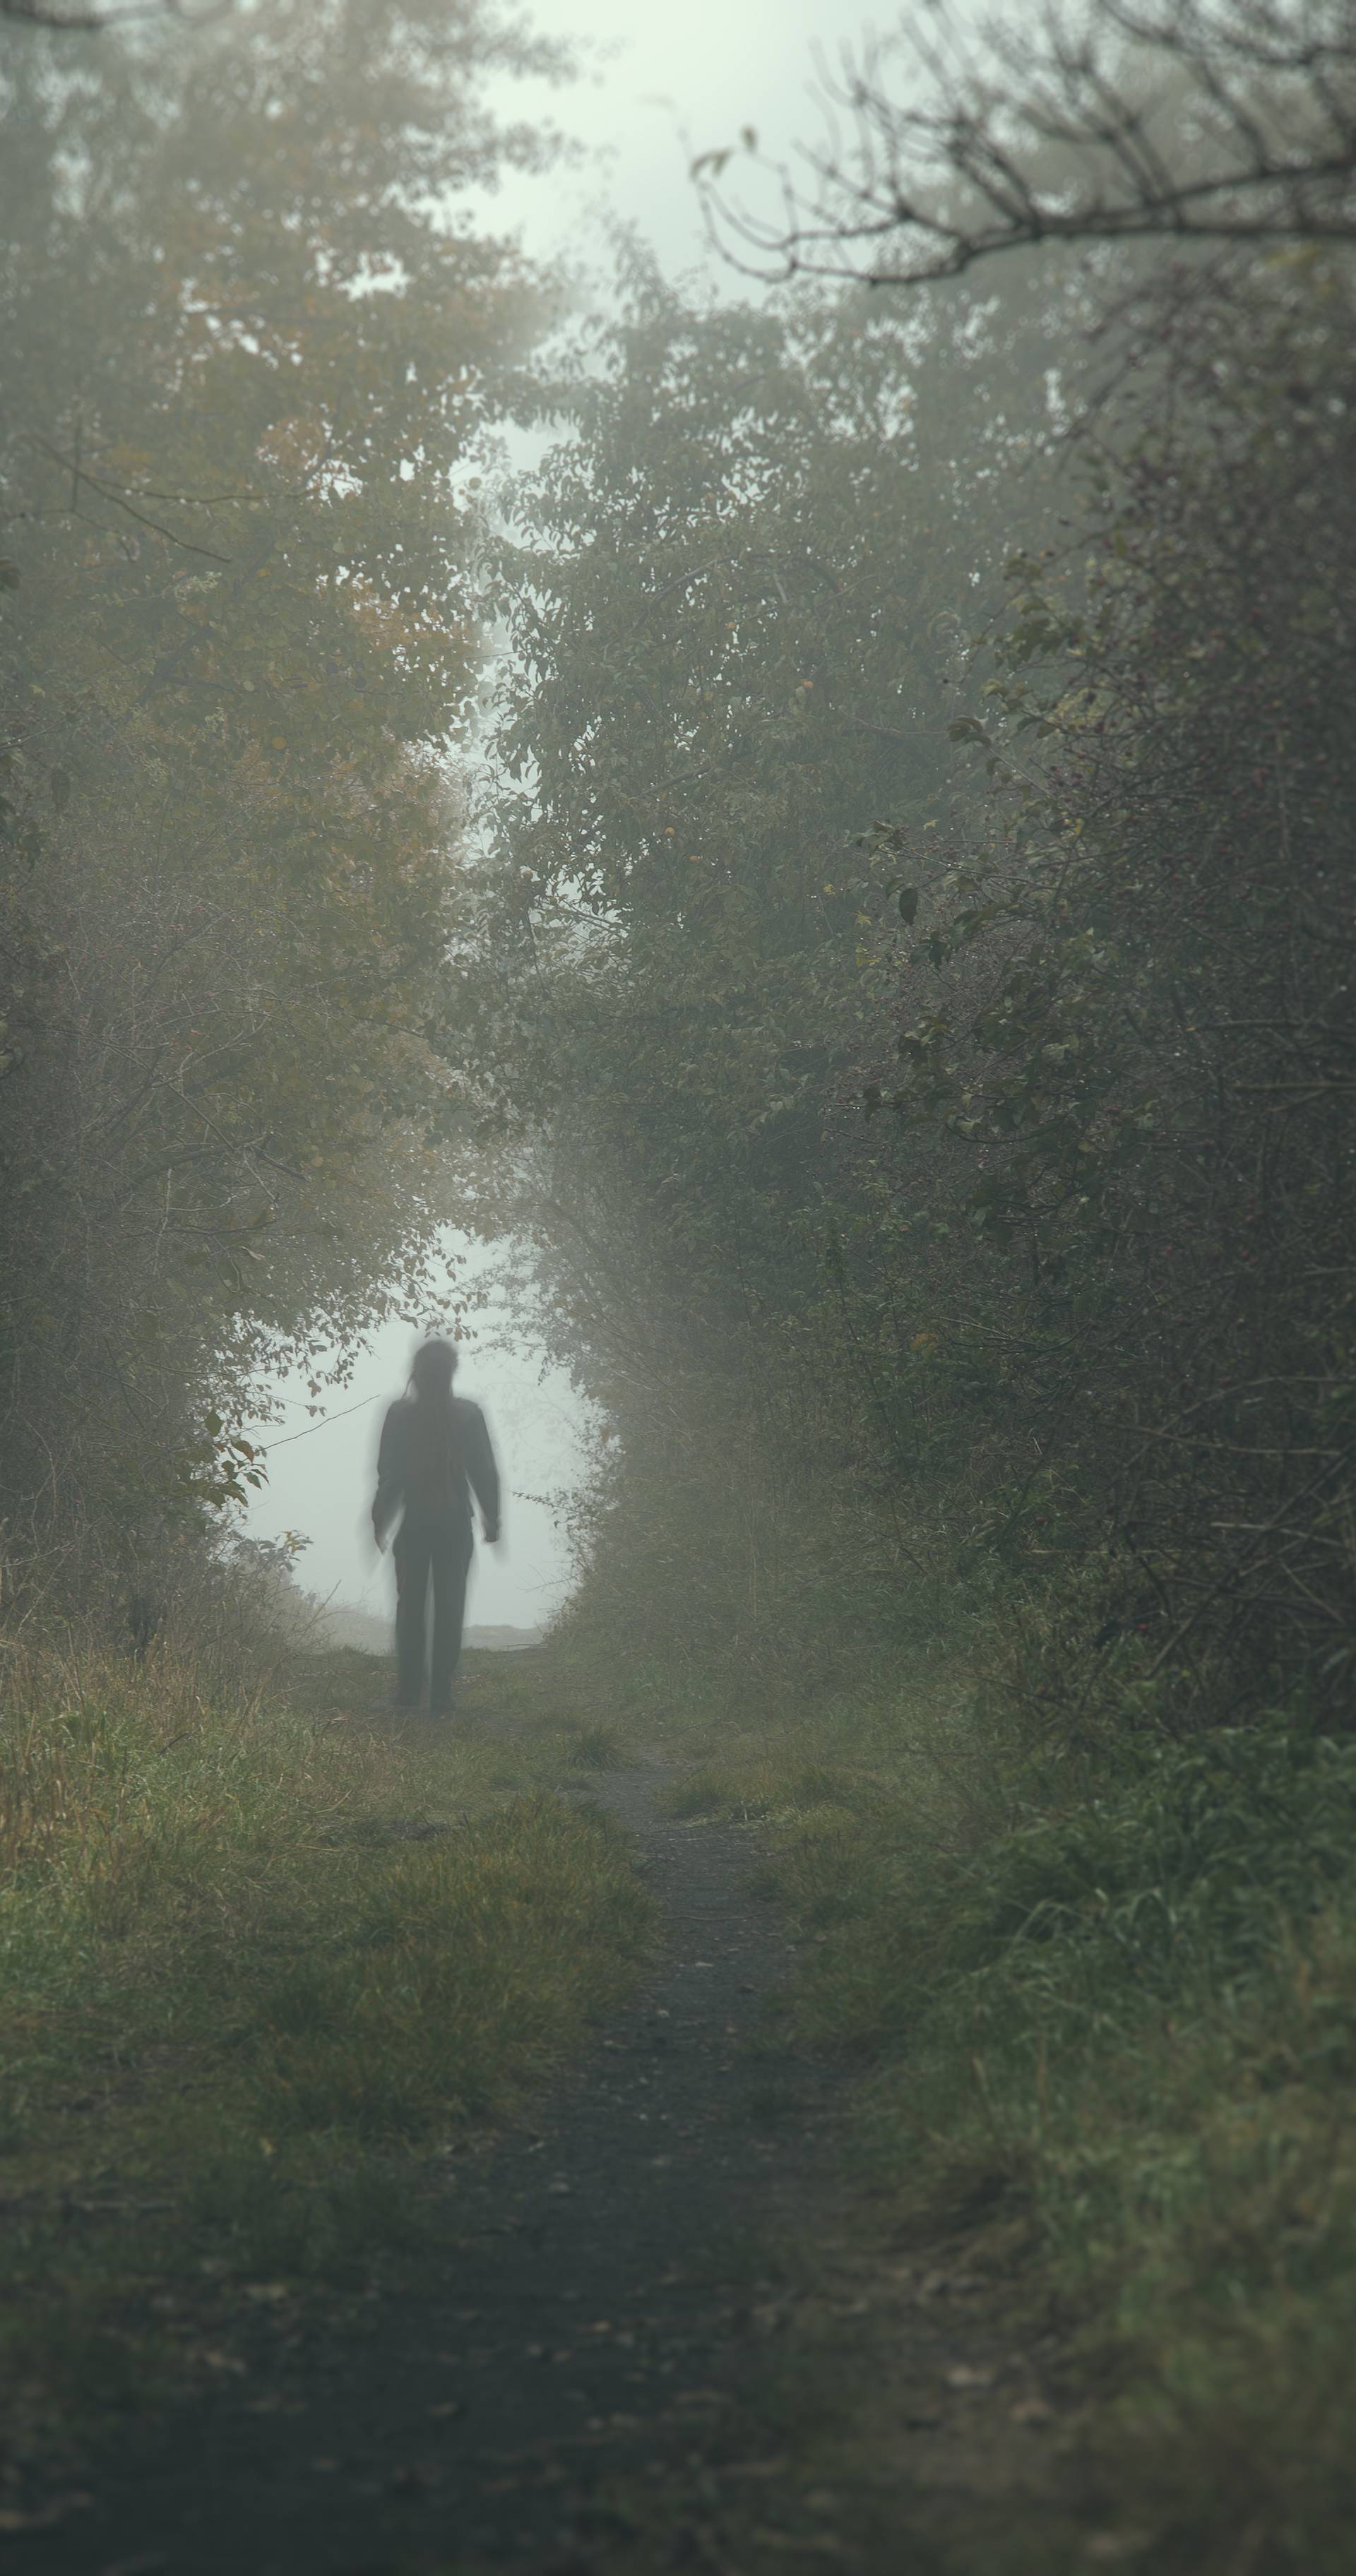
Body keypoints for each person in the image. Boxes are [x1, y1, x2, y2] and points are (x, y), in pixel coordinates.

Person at [371, 1338, 501, 1716]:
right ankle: (441, 1693)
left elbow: (389, 1474)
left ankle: (409, 1690)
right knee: (450, 1606)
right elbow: (484, 1470)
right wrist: (492, 1517)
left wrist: (381, 1518)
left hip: (414, 1525)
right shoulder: (468, 1414)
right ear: (453, 1372)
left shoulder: (399, 1415)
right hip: (455, 1524)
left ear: (417, 1371)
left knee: (410, 1606)